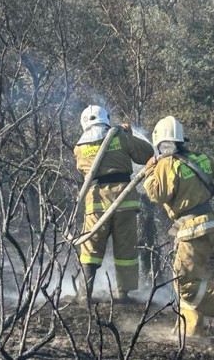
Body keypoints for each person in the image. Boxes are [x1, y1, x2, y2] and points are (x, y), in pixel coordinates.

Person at [143, 115, 214, 336]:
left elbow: (157, 194)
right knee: (189, 279)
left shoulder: (167, 163)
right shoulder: (201, 159)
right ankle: (192, 327)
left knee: (184, 285)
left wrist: (149, 171)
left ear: (160, 144)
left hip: (193, 229)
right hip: (208, 225)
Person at [73, 105, 154, 303]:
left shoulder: (79, 148)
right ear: (106, 118)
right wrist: (128, 134)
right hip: (124, 200)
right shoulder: (120, 137)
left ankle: (84, 294)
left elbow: (82, 170)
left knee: (90, 247)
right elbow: (147, 154)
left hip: (96, 202)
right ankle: (123, 294)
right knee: (125, 247)